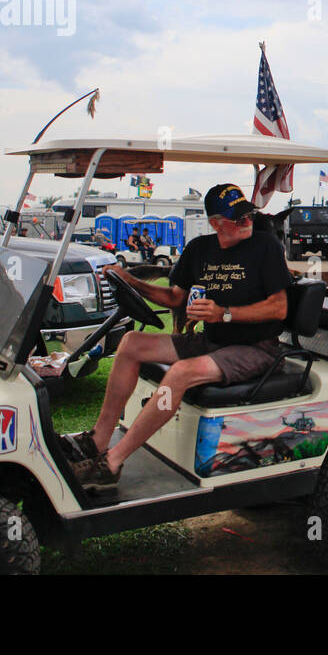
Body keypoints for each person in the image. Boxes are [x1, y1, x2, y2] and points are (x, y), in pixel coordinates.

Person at [64, 183, 291, 492]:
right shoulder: (200, 249)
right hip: (211, 342)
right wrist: (129, 280)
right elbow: (174, 297)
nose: (247, 222)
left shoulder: (265, 247)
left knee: (181, 372)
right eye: (238, 219)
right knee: (131, 344)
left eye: (248, 216)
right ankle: (98, 440)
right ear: (216, 223)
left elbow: (279, 308)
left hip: (255, 348)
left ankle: (112, 462)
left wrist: (224, 313)